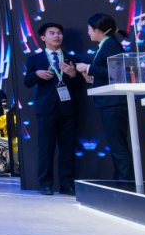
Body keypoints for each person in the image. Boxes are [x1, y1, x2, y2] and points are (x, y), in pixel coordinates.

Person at [23, 22, 82, 195]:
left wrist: (72, 74)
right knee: (46, 148)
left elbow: (79, 85)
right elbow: (27, 82)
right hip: (45, 108)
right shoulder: (34, 59)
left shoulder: (72, 58)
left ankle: (67, 184)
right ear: (43, 38)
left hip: (68, 108)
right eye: (52, 33)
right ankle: (45, 184)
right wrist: (36, 74)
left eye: (59, 33)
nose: (57, 36)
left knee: (67, 149)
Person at [75, 14, 134, 182]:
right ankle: (122, 182)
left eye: (89, 29)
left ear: (98, 30)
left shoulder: (111, 45)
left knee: (118, 146)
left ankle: (126, 185)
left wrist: (89, 68)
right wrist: (90, 77)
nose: (88, 32)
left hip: (114, 102)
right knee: (116, 145)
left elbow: (117, 73)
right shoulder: (106, 45)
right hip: (109, 102)